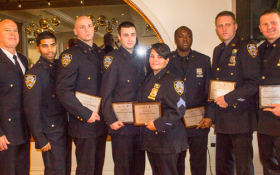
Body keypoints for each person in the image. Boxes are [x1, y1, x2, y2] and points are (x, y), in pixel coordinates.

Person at [203, 11, 262, 174]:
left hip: (241, 117)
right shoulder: (218, 50)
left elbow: (253, 83)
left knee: (243, 166)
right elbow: (215, 84)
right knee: (223, 165)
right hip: (222, 117)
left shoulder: (247, 47)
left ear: (235, 26)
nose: (224, 29)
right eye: (220, 26)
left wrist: (229, 99)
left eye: (227, 24)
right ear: (216, 29)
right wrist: (213, 113)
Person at [56, 16, 107, 175]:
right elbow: (63, 91)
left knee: (98, 168)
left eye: (89, 26)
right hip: (84, 123)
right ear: (75, 31)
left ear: (94, 28)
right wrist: (85, 114)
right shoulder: (70, 56)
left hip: (100, 122)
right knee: (86, 169)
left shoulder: (100, 53)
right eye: (82, 27)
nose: (87, 30)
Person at [101, 21, 146, 175]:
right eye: (126, 35)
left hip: (139, 125)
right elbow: (106, 92)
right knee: (123, 169)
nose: (130, 39)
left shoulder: (141, 58)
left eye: (132, 35)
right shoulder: (112, 59)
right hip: (121, 126)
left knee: (139, 167)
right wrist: (111, 119)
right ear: (119, 37)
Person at [23, 31, 71, 175]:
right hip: (49, 132)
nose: (50, 50)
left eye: (52, 45)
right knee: (55, 171)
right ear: (38, 48)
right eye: (45, 46)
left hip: (64, 128)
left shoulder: (59, 67)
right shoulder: (33, 74)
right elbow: (31, 110)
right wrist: (40, 139)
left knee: (65, 170)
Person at [138, 43, 187, 175]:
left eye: (159, 57)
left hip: (168, 140)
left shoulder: (174, 81)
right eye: (152, 56)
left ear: (167, 60)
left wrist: (157, 124)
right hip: (153, 141)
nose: (155, 60)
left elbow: (179, 110)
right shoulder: (149, 79)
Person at [168, 26, 211, 175]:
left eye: (188, 36)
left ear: (192, 38)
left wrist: (209, 116)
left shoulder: (204, 60)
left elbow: (209, 91)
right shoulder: (167, 60)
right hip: (175, 122)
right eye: (181, 36)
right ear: (175, 39)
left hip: (198, 121)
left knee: (198, 162)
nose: (185, 39)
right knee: (177, 162)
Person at [0, 19, 30, 175]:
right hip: (5, 135)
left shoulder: (23, 60)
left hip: (23, 131)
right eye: (7, 30)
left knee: (23, 171)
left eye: (15, 30)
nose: (13, 34)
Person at [258, 9, 280, 175]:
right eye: (265, 24)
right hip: (264, 119)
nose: (269, 27)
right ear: (260, 28)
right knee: (268, 164)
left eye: (273, 22)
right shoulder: (259, 50)